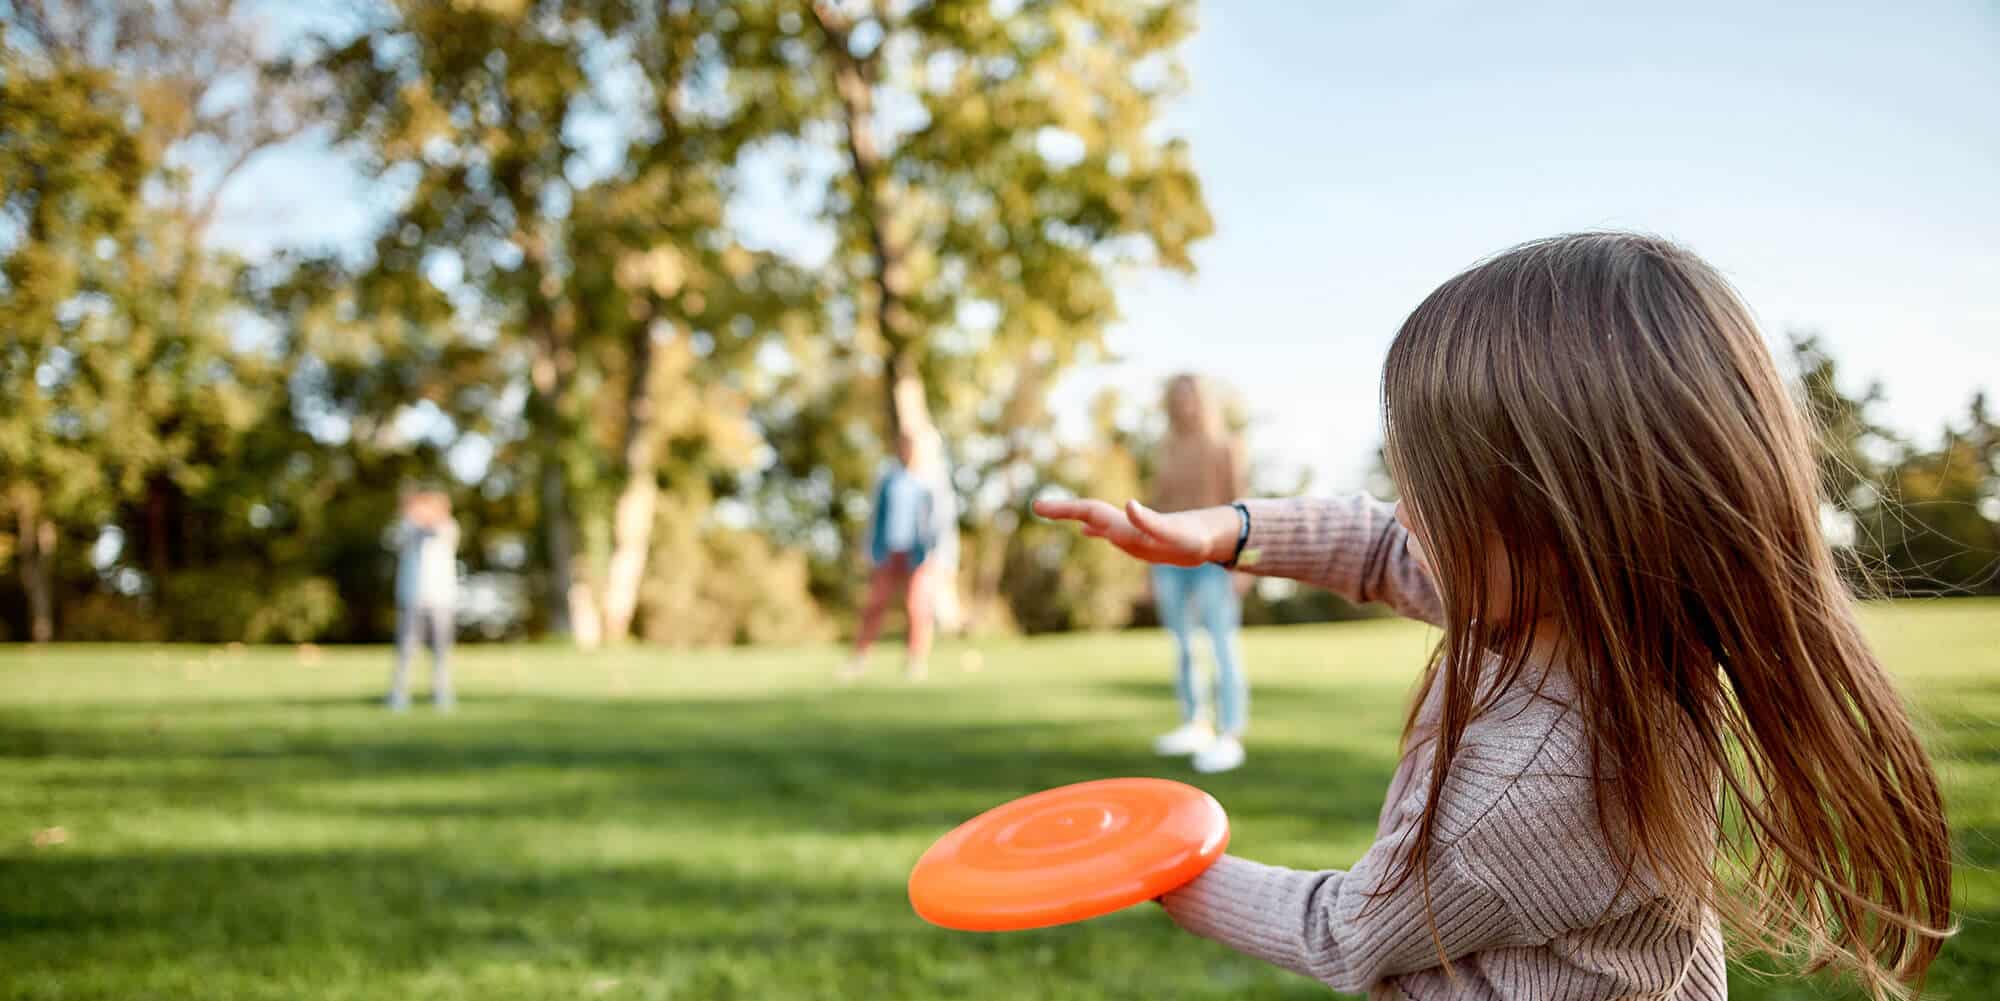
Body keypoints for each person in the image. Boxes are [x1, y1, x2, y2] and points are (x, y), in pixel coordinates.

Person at [1036, 233, 1950, 1000]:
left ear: (1561, 520)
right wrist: (1227, 530)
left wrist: (1165, 868)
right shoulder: (1607, 615)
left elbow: (1348, 933)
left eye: (1430, 494)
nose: (1401, 516)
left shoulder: (1539, 781)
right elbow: (1379, 549)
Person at [1147, 374, 1252, 773]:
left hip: (1214, 560)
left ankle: (1231, 734)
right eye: (1177, 397)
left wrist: (1244, 564)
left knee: (1223, 645)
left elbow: (1243, 505)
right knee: (1184, 645)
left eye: (1190, 396)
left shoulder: (1225, 446)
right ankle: (1196, 723)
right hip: (1170, 561)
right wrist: (1149, 567)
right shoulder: (1167, 449)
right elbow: (1157, 507)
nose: (1184, 404)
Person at [840, 427, 955, 683]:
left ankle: (915, 661)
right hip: (888, 551)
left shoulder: (929, 480)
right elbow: (875, 517)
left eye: (910, 447)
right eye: (902, 447)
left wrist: (941, 555)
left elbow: (940, 521)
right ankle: (859, 659)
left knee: (917, 607)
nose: (906, 452)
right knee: (875, 604)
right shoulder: (888, 479)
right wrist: (870, 549)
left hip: (918, 553)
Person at [388, 490, 458, 712]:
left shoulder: (448, 527)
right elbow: (398, 536)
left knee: (441, 650)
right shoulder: (406, 528)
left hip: (441, 598)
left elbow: (438, 530)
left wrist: (430, 517)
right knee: (406, 649)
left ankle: (441, 693)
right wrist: (412, 515)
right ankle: (399, 694)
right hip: (412, 597)